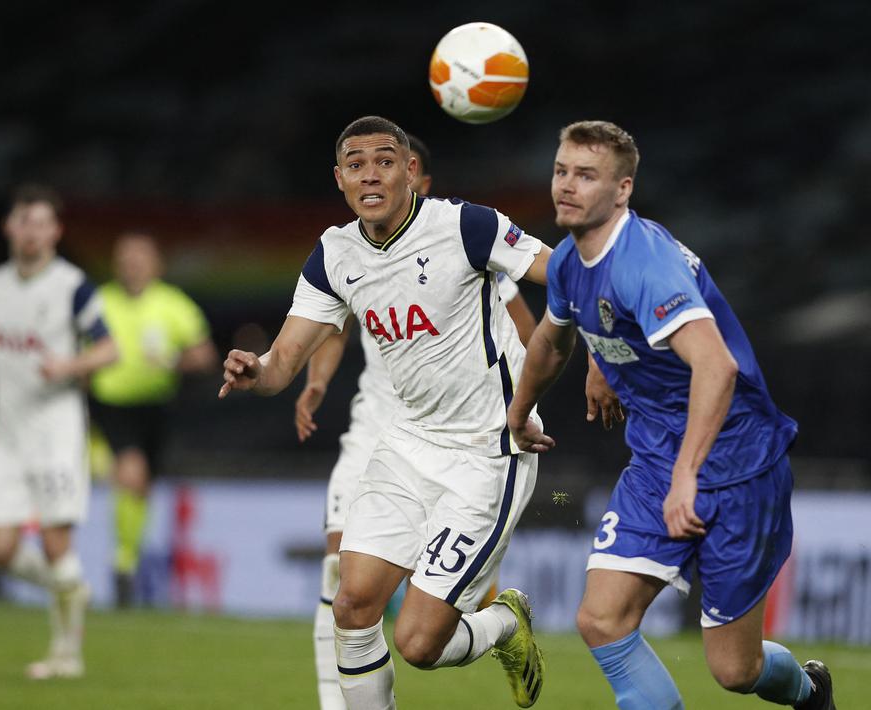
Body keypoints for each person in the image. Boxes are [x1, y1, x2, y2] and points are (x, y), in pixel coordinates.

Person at [220, 116, 548, 709]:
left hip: (485, 456)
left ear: (409, 173)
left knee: (419, 643)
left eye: (384, 160)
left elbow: (566, 276)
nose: (370, 173)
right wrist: (257, 371)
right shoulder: (335, 253)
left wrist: (575, 366)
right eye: (356, 163)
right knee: (351, 605)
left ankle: (504, 623)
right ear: (340, 179)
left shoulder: (467, 226)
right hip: (404, 447)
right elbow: (283, 361)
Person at [507, 120, 835, 710]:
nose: (567, 186)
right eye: (562, 171)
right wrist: (520, 411)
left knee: (735, 669)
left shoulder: (645, 263)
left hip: (737, 464)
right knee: (601, 620)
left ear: (623, 189)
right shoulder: (567, 261)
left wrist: (689, 475)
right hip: (657, 458)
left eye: (587, 175)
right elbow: (553, 342)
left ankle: (810, 694)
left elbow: (717, 366)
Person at [0, 184, 119, 679]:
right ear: (10, 227)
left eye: (41, 223)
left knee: (54, 543)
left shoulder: (73, 286)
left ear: (55, 231)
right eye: (24, 221)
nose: (31, 231)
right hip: (7, 433)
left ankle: (65, 656)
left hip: (56, 430)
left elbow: (109, 349)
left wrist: (69, 364)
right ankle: (69, 587)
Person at [89, 232, 217, 607]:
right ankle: (123, 564)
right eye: (125, 258)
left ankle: (127, 556)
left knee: (140, 486)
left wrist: (175, 362)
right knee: (132, 474)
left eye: (139, 258)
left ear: (156, 264)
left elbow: (204, 355)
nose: (132, 265)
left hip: (156, 408)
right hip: (110, 404)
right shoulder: (99, 303)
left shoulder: (172, 305)